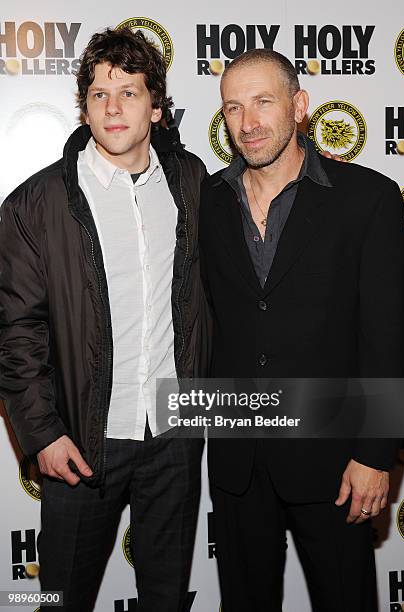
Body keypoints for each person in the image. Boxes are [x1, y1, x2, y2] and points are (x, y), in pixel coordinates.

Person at [0, 27, 208, 612]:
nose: (113, 107)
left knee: (166, 596)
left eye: (130, 92)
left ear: (157, 106)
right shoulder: (35, 205)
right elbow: (16, 332)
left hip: (172, 438)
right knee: (60, 598)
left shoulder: (192, 184)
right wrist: (41, 433)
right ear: (84, 107)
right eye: (98, 94)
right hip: (81, 445)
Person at [199, 48, 404, 611]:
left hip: (336, 463)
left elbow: (388, 338)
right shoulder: (207, 202)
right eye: (234, 107)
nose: (249, 122)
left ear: (300, 105)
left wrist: (375, 455)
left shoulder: (369, 199)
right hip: (240, 462)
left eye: (263, 102)